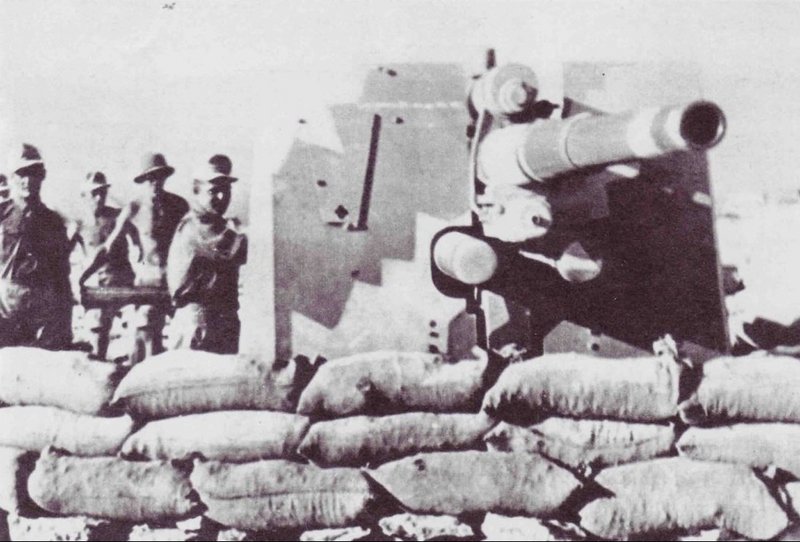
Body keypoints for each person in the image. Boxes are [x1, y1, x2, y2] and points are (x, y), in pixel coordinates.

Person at [85, 152, 188, 362]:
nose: (155, 182)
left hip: (177, 281)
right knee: (146, 330)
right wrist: (84, 277)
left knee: (185, 339)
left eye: (159, 176)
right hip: (149, 282)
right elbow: (108, 247)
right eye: (150, 178)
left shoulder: (179, 205)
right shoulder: (134, 209)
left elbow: (191, 239)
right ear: (143, 180)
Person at [166, 154, 247, 353]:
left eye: (226, 190)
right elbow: (235, 250)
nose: (222, 197)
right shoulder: (196, 225)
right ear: (197, 191)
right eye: (214, 190)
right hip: (199, 323)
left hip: (219, 320)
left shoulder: (215, 223)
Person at [0, 144, 72, 349]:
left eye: (34, 173)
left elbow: (61, 275)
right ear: (11, 177)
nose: (28, 180)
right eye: (21, 174)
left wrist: (64, 323)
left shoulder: (52, 221)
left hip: (39, 311)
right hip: (4, 306)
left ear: (43, 176)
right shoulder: (2, 214)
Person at [70, 171, 139, 358]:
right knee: (97, 329)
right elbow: (62, 253)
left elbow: (137, 238)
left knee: (137, 329)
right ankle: (99, 363)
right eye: (94, 193)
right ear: (84, 196)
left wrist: (139, 250)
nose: (99, 197)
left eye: (102, 192)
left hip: (123, 283)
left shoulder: (117, 217)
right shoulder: (79, 224)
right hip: (96, 286)